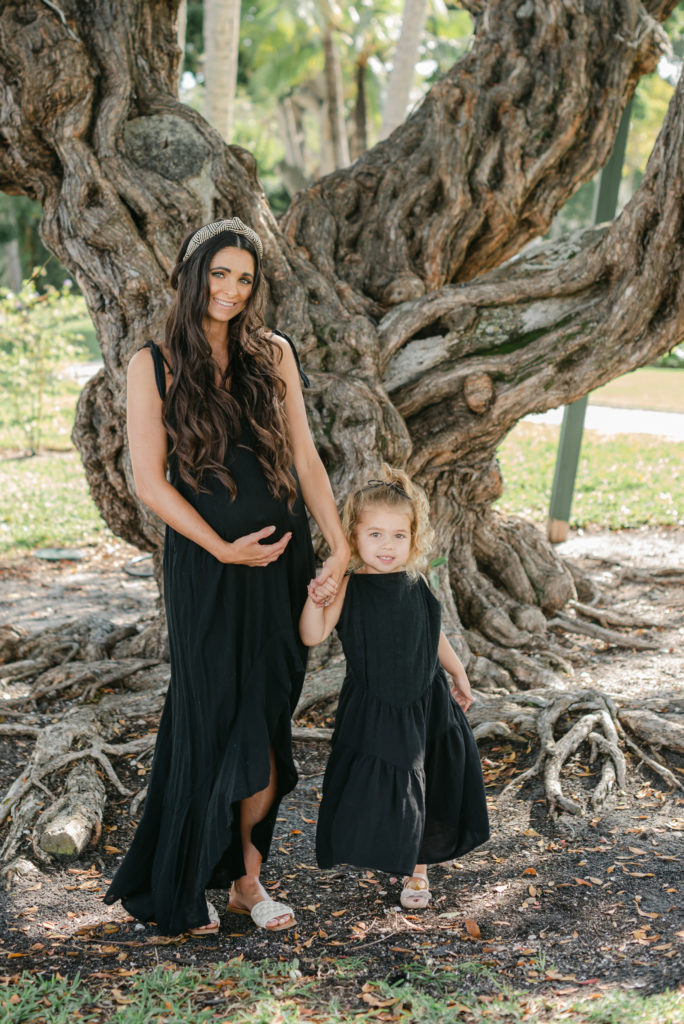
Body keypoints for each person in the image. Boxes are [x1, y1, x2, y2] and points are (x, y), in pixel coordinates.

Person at [104, 218, 349, 936]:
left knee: (269, 721)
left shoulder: (273, 354)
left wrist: (337, 547)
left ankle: (247, 880)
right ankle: (185, 879)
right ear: (191, 275)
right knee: (210, 718)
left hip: (281, 565)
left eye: (244, 278)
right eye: (219, 274)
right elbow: (149, 482)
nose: (231, 290)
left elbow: (305, 460)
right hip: (206, 572)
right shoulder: (150, 365)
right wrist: (220, 547)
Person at [299, 466, 489, 909]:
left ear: (413, 537)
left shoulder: (415, 581)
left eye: (399, 536)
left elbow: (433, 631)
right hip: (375, 706)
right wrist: (314, 597)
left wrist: (458, 672)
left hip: (425, 701)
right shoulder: (349, 586)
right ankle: (391, 852)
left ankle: (418, 872)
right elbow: (313, 634)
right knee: (389, 784)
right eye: (377, 535)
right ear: (354, 536)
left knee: (426, 781)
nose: (388, 546)